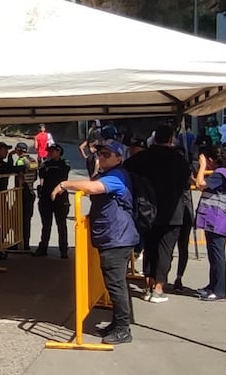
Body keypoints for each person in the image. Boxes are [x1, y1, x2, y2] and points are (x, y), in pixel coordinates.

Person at [51, 140, 140, 345]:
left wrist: (65, 184)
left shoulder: (117, 176)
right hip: (112, 236)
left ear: (119, 158)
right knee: (113, 283)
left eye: (107, 154)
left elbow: (94, 187)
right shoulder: (109, 173)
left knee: (116, 284)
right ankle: (117, 323)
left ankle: (122, 329)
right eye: (100, 154)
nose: (101, 157)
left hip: (117, 238)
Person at [124, 124, 191, 303]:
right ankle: (158, 288)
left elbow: (127, 170)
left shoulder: (141, 158)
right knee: (165, 250)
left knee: (150, 247)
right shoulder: (179, 160)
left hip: (146, 210)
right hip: (172, 212)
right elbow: (187, 180)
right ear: (171, 139)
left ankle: (148, 284)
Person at [193, 145, 226, 303]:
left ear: (211, 160)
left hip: (219, 220)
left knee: (217, 256)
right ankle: (212, 286)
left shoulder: (220, 174)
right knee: (213, 255)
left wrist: (202, 166)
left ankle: (219, 291)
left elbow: (200, 184)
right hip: (220, 219)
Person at [34, 143, 71, 257]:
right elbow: (42, 179)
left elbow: (63, 175)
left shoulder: (64, 163)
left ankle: (63, 250)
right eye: (49, 151)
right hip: (46, 198)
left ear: (59, 151)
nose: (50, 153)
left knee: (61, 225)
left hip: (60, 198)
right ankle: (43, 248)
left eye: (53, 151)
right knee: (46, 225)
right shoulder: (45, 165)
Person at [0, 142, 21, 259]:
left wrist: (11, 158)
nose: (6, 152)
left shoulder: (1, 163)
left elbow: (9, 169)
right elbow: (9, 169)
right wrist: (20, 167)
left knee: (3, 223)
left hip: (1, 197)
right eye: (5, 150)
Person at [12, 142, 38, 250]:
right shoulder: (33, 160)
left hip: (22, 192)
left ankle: (18, 243)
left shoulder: (20, 160)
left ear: (19, 150)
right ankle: (26, 243)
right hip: (31, 191)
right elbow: (35, 176)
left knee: (18, 218)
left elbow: (20, 175)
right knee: (27, 219)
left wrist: (19, 186)